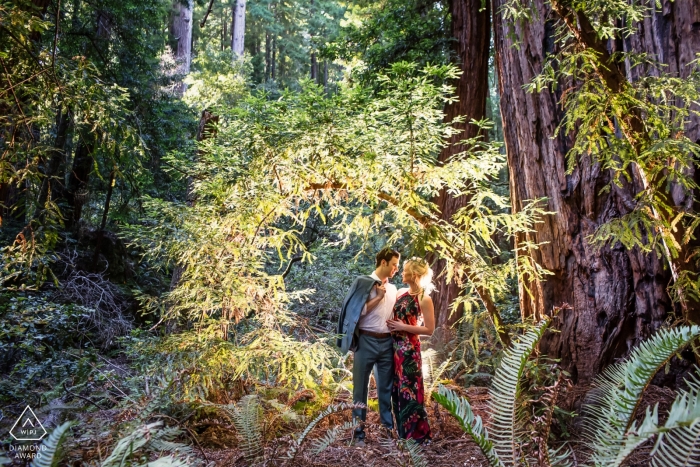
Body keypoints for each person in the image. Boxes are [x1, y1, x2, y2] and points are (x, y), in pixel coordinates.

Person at [337, 247, 400, 447]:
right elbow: (356, 313)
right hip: (365, 342)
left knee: (385, 389)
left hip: (387, 342)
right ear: (383, 262)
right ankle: (358, 435)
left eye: (398, 266)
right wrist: (378, 297)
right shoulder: (363, 283)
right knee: (360, 389)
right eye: (394, 265)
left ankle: (387, 431)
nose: (396, 269)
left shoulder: (394, 289)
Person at [386, 257, 435, 443]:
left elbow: (429, 330)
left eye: (405, 270)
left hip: (409, 352)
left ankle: (417, 436)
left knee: (411, 392)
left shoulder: (424, 298)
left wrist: (403, 327)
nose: (401, 272)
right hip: (394, 349)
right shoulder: (400, 292)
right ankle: (402, 434)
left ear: (413, 275)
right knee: (397, 391)